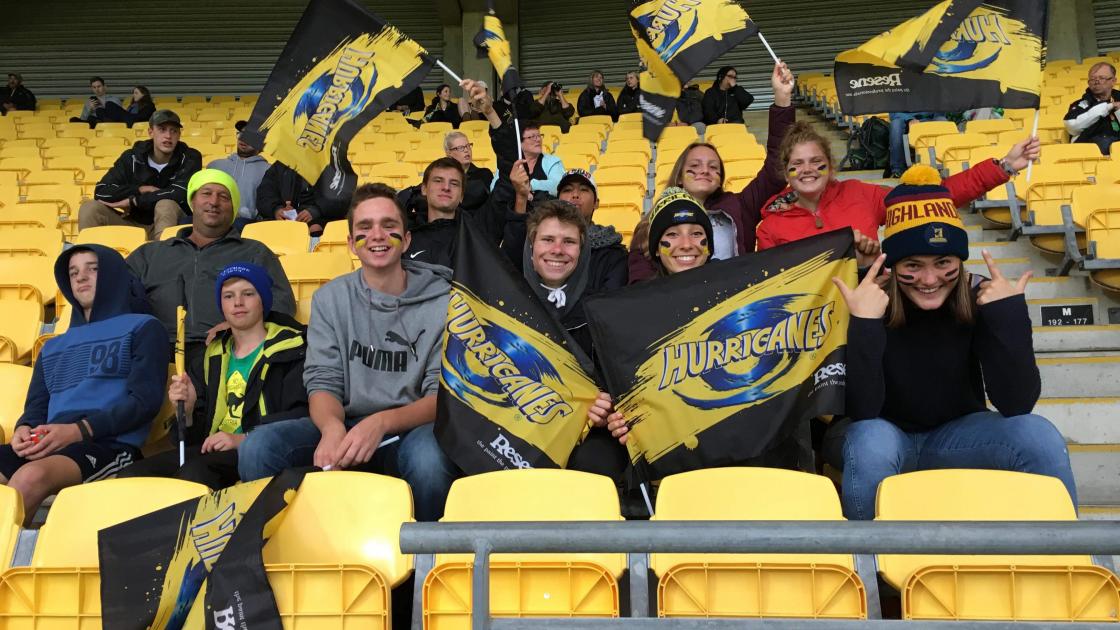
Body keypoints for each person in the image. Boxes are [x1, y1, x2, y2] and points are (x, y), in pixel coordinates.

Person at [822, 166, 1077, 519]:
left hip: (955, 436)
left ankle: (1065, 562)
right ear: (893, 265)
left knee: (1038, 434)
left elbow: (1017, 403)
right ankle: (870, 567)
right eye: (913, 264)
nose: (929, 279)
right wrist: (865, 324)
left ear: (959, 260)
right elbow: (863, 411)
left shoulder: (981, 296)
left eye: (943, 262)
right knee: (872, 442)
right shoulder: (869, 298)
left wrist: (1008, 315)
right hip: (878, 434)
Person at [237, 183, 459, 522]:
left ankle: (425, 565)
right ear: (352, 244)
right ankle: (277, 559)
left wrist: (381, 423)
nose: (378, 236)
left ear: (407, 240)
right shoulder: (330, 299)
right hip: (347, 421)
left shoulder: (444, 302)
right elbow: (323, 380)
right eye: (365, 228)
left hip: (414, 425)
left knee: (429, 460)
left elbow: (440, 396)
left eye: (389, 226)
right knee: (259, 447)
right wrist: (331, 428)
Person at [1, 245, 167, 523]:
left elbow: (144, 401)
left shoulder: (143, 327)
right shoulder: (53, 347)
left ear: (113, 275)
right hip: (47, 441)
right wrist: (23, 429)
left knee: (30, 477)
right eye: (73, 272)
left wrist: (78, 431)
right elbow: (36, 407)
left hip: (107, 444)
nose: (81, 277)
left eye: (93, 268)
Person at [118, 263, 307, 490]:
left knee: (194, 474)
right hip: (212, 449)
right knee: (132, 475)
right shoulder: (212, 355)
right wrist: (186, 412)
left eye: (248, 294)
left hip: (256, 451)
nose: (238, 302)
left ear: (263, 300)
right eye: (228, 296)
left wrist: (243, 439)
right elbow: (194, 437)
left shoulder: (292, 348)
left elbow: (301, 418)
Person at [755, 123, 1040, 260]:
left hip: (870, 312)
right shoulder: (770, 225)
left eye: (817, 162)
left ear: (830, 167)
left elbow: (930, 198)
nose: (807, 170)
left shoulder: (860, 194)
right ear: (785, 172)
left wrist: (1003, 167)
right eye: (797, 164)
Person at [629, 61, 796, 282]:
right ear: (679, 175)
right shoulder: (651, 221)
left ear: (720, 179)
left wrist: (782, 99)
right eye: (694, 166)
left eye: (713, 167)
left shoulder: (739, 206)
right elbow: (640, 284)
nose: (705, 170)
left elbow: (776, 172)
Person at [126, 169, 294, 364]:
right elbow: (116, 298)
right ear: (192, 202)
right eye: (206, 194)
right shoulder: (149, 254)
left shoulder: (254, 252)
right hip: (154, 353)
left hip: (227, 350)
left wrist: (239, 326)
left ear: (233, 208)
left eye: (223, 197)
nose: (213, 202)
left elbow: (282, 303)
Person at [521, 200, 630, 481]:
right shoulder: (505, 304)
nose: (557, 250)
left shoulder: (603, 308)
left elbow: (618, 380)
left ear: (582, 252)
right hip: (519, 423)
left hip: (589, 429)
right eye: (547, 240)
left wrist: (607, 405)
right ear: (531, 248)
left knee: (597, 464)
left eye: (569, 242)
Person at [78, 110, 202, 239]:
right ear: (150, 132)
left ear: (179, 135)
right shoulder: (131, 157)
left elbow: (180, 193)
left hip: (172, 225)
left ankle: (163, 255)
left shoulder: (190, 157)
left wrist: (135, 201)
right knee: (90, 207)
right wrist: (140, 189)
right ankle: (88, 256)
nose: (168, 136)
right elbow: (102, 191)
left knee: (166, 204)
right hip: (131, 222)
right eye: (162, 129)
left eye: (173, 131)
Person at [504, 167, 628, 289]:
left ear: (596, 203)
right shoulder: (535, 243)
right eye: (567, 190)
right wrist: (521, 198)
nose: (575, 195)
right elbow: (512, 262)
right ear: (558, 200)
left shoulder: (613, 253)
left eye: (584, 190)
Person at [401, 157, 515, 269]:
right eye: (438, 181)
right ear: (424, 189)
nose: (446, 187)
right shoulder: (404, 234)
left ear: (462, 195)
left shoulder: (478, 231)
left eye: (454, 183)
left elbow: (506, 185)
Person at [208, 121, 270, 228]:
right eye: (241, 134)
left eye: (250, 136)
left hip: (247, 223)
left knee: (237, 224)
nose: (243, 138)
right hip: (213, 216)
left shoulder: (269, 170)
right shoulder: (215, 165)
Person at [1064, 62, 1120, 155]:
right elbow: (1072, 127)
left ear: (1113, 81)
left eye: (1102, 78)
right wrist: (1108, 107)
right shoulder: (1079, 104)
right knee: (1105, 142)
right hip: (1090, 150)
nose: (1096, 81)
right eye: (1092, 79)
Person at [888, 112, 947, 178]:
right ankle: (898, 170)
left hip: (928, 118)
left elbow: (939, 109)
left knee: (942, 120)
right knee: (896, 124)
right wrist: (909, 119)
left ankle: (945, 166)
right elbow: (893, 113)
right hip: (904, 119)